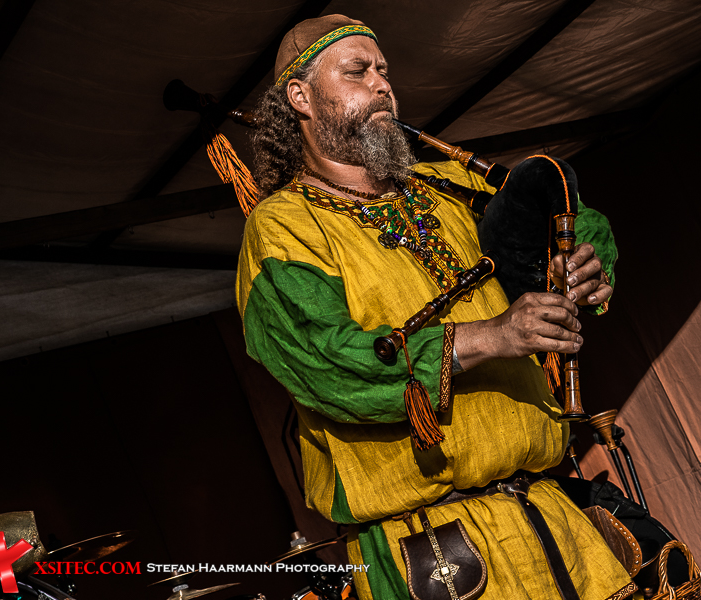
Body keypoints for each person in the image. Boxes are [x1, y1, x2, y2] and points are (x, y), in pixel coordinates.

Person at [236, 14, 633, 600]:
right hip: (433, 549)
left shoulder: (445, 186)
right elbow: (330, 366)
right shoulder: (283, 229)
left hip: (551, 515)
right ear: (301, 96)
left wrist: (574, 260)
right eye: (357, 71)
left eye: (384, 71)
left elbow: (568, 210)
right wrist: (494, 336)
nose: (382, 84)